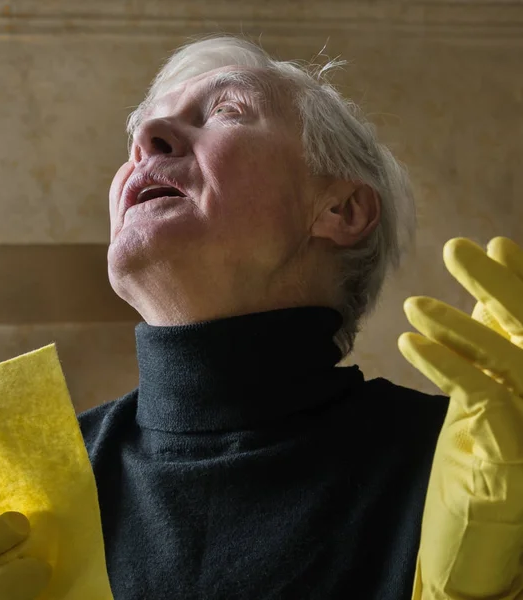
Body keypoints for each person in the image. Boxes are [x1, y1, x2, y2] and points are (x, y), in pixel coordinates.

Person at [77, 34, 449, 599]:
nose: (145, 143)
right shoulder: (32, 479)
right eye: (143, 128)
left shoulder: (466, 463)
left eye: (225, 111)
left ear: (341, 210)